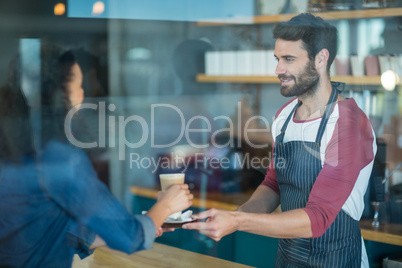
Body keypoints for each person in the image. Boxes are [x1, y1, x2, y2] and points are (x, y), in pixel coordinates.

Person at [184, 13, 376, 267]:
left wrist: (239, 222)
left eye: (289, 59)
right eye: (277, 59)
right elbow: (274, 184)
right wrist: (231, 217)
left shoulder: (348, 123)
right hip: (288, 258)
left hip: (337, 258)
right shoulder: (285, 116)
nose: (278, 70)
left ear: (321, 58)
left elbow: (318, 218)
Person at [0, 51, 193, 268]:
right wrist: (166, 206)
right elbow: (131, 237)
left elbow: (56, 234)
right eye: (79, 87)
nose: (83, 95)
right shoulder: (62, 162)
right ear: (59, 96)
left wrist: (149, 219)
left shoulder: (21, 154)